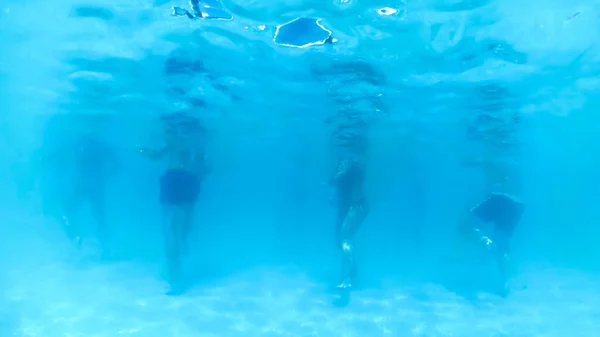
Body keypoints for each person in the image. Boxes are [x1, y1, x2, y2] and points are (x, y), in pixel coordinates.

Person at [459, 84, 524, 296]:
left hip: (500, 198)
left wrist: (473, 159)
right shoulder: (511, 137)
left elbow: (489, 162)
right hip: (518, 202)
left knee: (464, 225)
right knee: (504, 242)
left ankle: (485, 243)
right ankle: (505, 285)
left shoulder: (493, 137)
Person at [138, 112, 209, 292]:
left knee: (170, 230)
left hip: (175, 179)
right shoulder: (199, 135)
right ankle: (182, 250)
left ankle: (175, 279)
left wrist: (140, 148)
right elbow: (202, 167)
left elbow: (156, 156)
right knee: (184, 222)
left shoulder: (172, 133)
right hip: (190, 180)